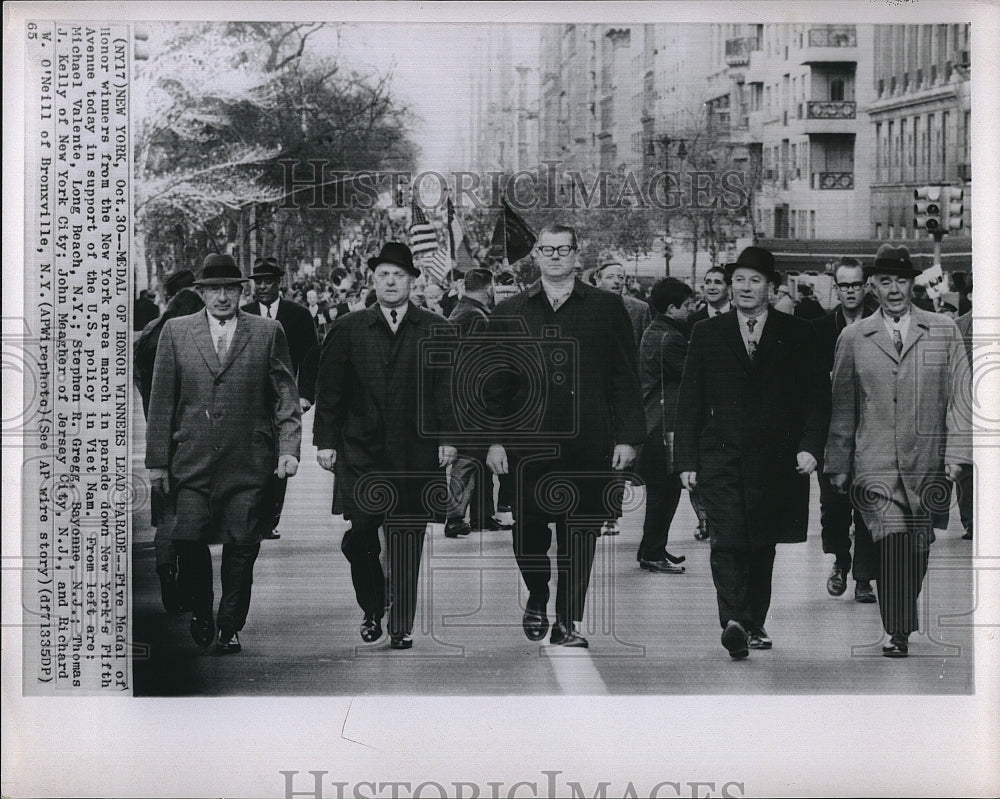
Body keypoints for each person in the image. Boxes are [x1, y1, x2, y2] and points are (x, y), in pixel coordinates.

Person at [484, 224, 645, 648]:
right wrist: (493, 441)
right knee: (528, 534)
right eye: (547, 249)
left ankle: (567, 621)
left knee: (581, 536)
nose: (555, 256)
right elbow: (493, 386)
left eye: (564, 249)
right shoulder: (509, 312)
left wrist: (628, 438)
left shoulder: (608, 309)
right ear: (536, 255)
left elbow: (625, 378)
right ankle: (537, 594)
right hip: (527, 448)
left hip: (590, 446)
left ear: (577, 255)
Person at [675, 246, 830, 658]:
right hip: (720, 457)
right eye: (738, 279)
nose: (744, 287)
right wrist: (687, 461)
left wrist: (810, 448)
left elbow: (816, 399)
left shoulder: (798, 333)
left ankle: (753, 621)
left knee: (761, 544)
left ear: (771, 287)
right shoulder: (706, 334)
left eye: (754, 280)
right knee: (725, 538)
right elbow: (690, 399)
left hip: (776, 461)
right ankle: (733, 621)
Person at [145, 253, 302, 654]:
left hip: (249, 462)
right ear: (201, 294)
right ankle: (201, 609)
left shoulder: (268, 331)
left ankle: (230, 624)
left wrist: (288, 449)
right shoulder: (177, 333)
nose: (221, 297)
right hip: (191, 461)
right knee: (188, 538)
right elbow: (162, 402)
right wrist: (158, 462)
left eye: (229, 289)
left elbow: (285, 396)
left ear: (240, 292)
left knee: (243, 545)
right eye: (213, 290)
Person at [825, 244, 969, 658]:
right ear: (873, 286)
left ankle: (900, 621)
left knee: (917, 548)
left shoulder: (943, 329)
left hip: (928, 465)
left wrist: (957, 453)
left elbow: (961, 396)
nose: (893, 289)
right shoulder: (853, 337)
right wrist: (838, 462)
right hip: (875, 465)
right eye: (884, 281)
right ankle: (897, 631)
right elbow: (843, 404)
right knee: (890, 544)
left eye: (901, 281)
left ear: (912, 284)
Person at [314, 242, 458, 650]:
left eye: (399, 275)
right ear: (372, 281)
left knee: (407, 537)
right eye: (383, 275)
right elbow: (330, 393)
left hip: (416, 453)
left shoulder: (436, 328)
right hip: (361, 453)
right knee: (361, 535)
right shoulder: (347, 328)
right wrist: (325, 442)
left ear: (413, 281)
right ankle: (373, 605)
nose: (391, 281)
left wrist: (449, 437)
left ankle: (401, 624)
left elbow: (448, 390)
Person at [134, 286, 205, 613]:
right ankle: (191, 586)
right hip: (188, 437)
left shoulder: (149, 339)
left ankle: (165, 568)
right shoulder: (185, 342)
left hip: (156, 433)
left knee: (165, 515)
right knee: (191, 514)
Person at [811, 258, 877, 603]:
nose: (850, 291)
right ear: (835, 288)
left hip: (871, 428)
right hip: (831, 429)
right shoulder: (821, 329)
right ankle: (840, 561)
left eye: (856, 284)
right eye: (844, 285)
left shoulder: (880, 324)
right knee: (833, 504)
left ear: (865, 285)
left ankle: (864, 576)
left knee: (867, 502)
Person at [241, 256, 318, 540]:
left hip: (286, 399)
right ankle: (254, 514)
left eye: (268, 281)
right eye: (257, 281)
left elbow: (311, 358)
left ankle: (271, 517)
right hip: (249, 401)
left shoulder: (298, 315)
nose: (262, 286)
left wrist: (306, 395)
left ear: (278, 282)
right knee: (253, 456)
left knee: (281, 454)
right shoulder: (243, 313)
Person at [636, 277, 695, 574]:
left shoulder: (654, 330)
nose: (692, 310)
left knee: (662, 493)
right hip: (664, 427)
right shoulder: (670, 338)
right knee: (665, 493)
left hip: (652, 424)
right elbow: (690, 377)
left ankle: (652, 548)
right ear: (672, 308)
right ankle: (653, 552)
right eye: (687, 306)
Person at [444, 268, 501, 537]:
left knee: (477, 457)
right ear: (489, 288)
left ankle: (483, 515)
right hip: (473, 399)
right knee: (468, 458)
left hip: (463, 397)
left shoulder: (461, 311)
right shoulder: (475, 316)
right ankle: (454, 516)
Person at [593, 257, 653, 349]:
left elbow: (647, 348)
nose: (617, 281)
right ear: (598, 281)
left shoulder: (640, 309)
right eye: (610, 277)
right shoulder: (587, 308)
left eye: (620, 277)